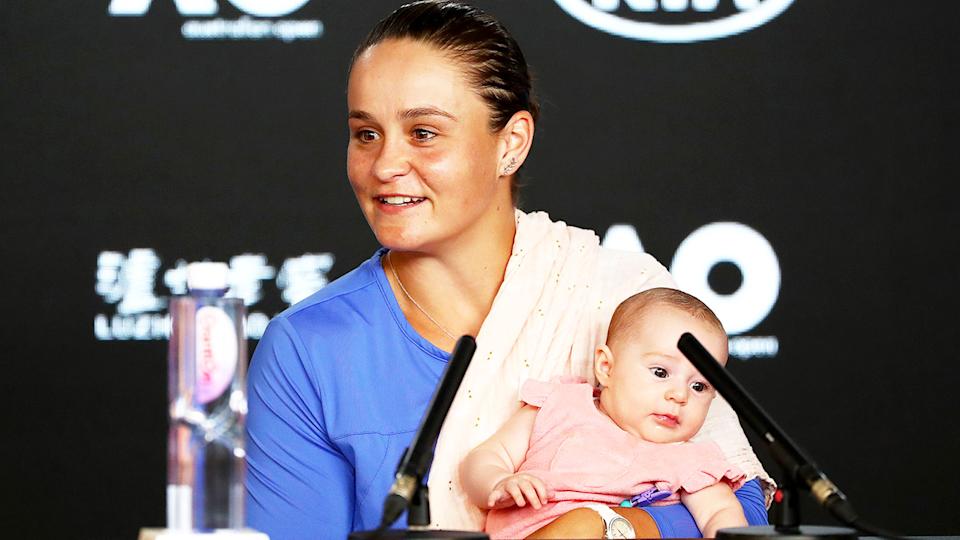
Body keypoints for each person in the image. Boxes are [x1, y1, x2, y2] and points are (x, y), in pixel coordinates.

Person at [244, 2, 772, 539]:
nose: (384, 165)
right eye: (366, 134)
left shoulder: (622, 298)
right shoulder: (307, 348)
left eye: (424, 133)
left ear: (511, 143)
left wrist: (603, 526)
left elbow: (742, 511)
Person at [461, 288, 747, 539]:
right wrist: (497, 483)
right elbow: (486, 458)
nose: (679, 395)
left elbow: (720, 514)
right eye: (661, 372)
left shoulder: (690, 460)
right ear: (606, 367)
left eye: (699, 385)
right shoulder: (559, 405)